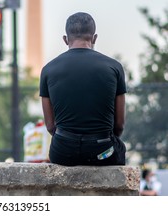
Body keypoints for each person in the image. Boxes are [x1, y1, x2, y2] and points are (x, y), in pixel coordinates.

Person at [39, 12, 127, 166]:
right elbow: (119, 125)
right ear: (94, 38)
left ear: (65, 39)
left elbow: (51, 126)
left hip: (63, 153)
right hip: (103, 153)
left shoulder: (48, 70)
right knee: (118, 149)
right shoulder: (114, 67)